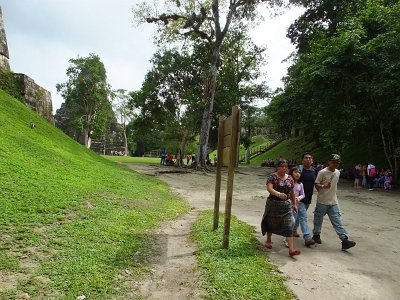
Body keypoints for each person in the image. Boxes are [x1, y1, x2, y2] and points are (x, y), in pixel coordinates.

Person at [312, 154, 356, 251]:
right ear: (329, 162)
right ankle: (316, 235)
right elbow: (316, 184)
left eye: (337, 162)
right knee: (318, 220)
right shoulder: (322, 172)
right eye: (333, 162)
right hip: (322, 201)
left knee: (338, 221)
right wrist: (323, 187)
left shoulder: (337, 172)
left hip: (333, 202)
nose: (335, 164)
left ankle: (344, 240)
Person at [261, 159, 301, 257]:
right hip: (273, 204)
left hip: (286, 207)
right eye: (282, 166)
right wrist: (278, 194)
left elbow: (292, 192)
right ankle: (269, 240)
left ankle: (291, 249)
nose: (284, 168)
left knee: (289, 225)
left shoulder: (290, 178)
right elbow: (269, 188)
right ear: (278, 167)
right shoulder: (272, 177)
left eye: (286, 166)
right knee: (270, 222)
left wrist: (294, 204)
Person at [293, 152, 316, 247]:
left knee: (298, 216)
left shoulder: (314, 171)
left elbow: (316, 183)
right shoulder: (300, 170)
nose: (308, 159)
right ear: (302, 160)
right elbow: (293, 178)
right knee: (303, 217)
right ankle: (307, 237)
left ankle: (293, 230)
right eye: (306, 158)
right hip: (299, 198)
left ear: (312, 160)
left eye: (310, 158)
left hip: (308, 198)